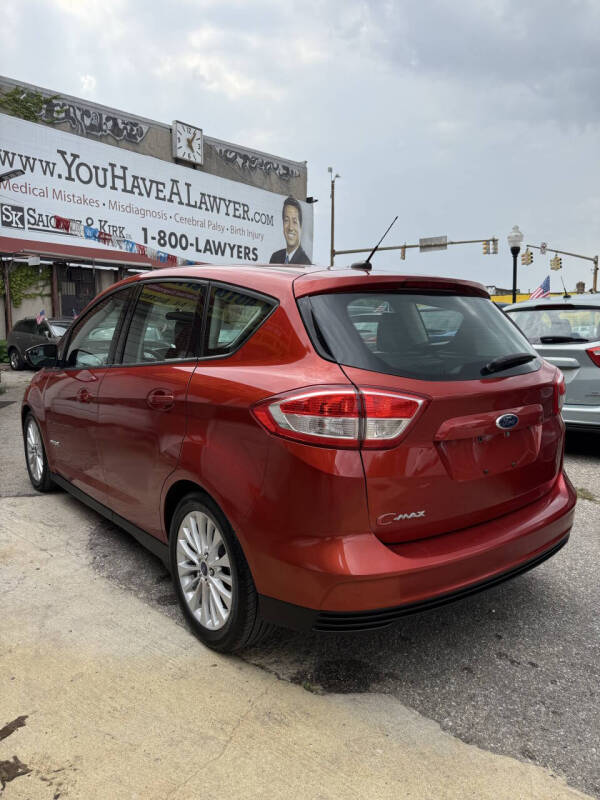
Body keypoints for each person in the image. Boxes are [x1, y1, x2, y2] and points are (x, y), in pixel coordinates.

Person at [269, 196, 311, 264]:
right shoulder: (275, 258)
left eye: (294, 222)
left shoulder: (305, 263)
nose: (290, 228)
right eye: (286, 220)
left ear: (300, 227)